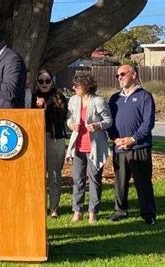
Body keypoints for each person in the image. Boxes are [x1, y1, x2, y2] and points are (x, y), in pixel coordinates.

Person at [108, 64, 157, 225]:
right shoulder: (115, 99)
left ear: (134, 75)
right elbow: (110, 123)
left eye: (122, 74)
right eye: (117, 75)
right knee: (120, 181)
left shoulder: (145, 97)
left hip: (139, 147)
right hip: (119, 147)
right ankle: (120, 211)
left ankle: (148, 214)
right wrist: (115, 139)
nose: (120, 78)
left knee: (142, 182)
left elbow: (148, 123)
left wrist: (133, 139)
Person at [65, 73, 112, 224]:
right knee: (77, 179)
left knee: (94, 179)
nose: (74, 88)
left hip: (94, 147)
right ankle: (77, 211)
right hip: (78, 146)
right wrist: (71, 125)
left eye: (76, 86)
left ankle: (93, 212)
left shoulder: (98, 101)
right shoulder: (73, 100)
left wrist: (98, 125)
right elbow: (70, 118)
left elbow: (109, 121)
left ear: (85, 86)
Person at [31, 69, 68, 218]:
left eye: (47, 81)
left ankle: (53, 209)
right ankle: (39, 207)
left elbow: (60, 119)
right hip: (37, 139)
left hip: (54, 138)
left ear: (52, 82)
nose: (44, 84)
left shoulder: (59, 97)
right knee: (38, 175)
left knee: (54, 174)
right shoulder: (33, 97)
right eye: (41, 81)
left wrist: (46, 108)